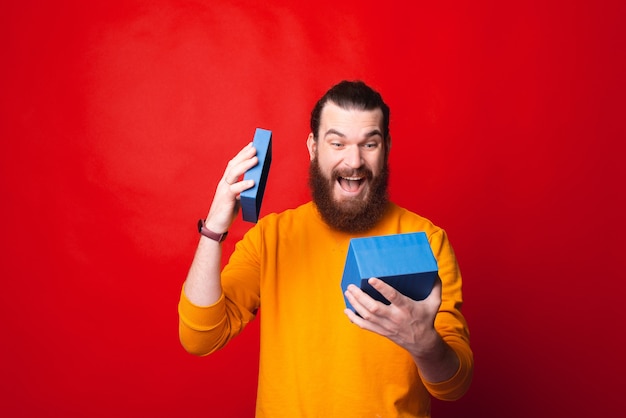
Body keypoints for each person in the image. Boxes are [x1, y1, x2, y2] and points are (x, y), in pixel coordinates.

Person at [178, 80, 473, 417]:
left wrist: (425, 345)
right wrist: (214, 226)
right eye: (337, 143)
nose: (354, 160)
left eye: (369, 144)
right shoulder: (272, 237)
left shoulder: (426, 240)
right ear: (313, 147)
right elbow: (200, 338)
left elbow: (454, 385)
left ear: (386, 147)